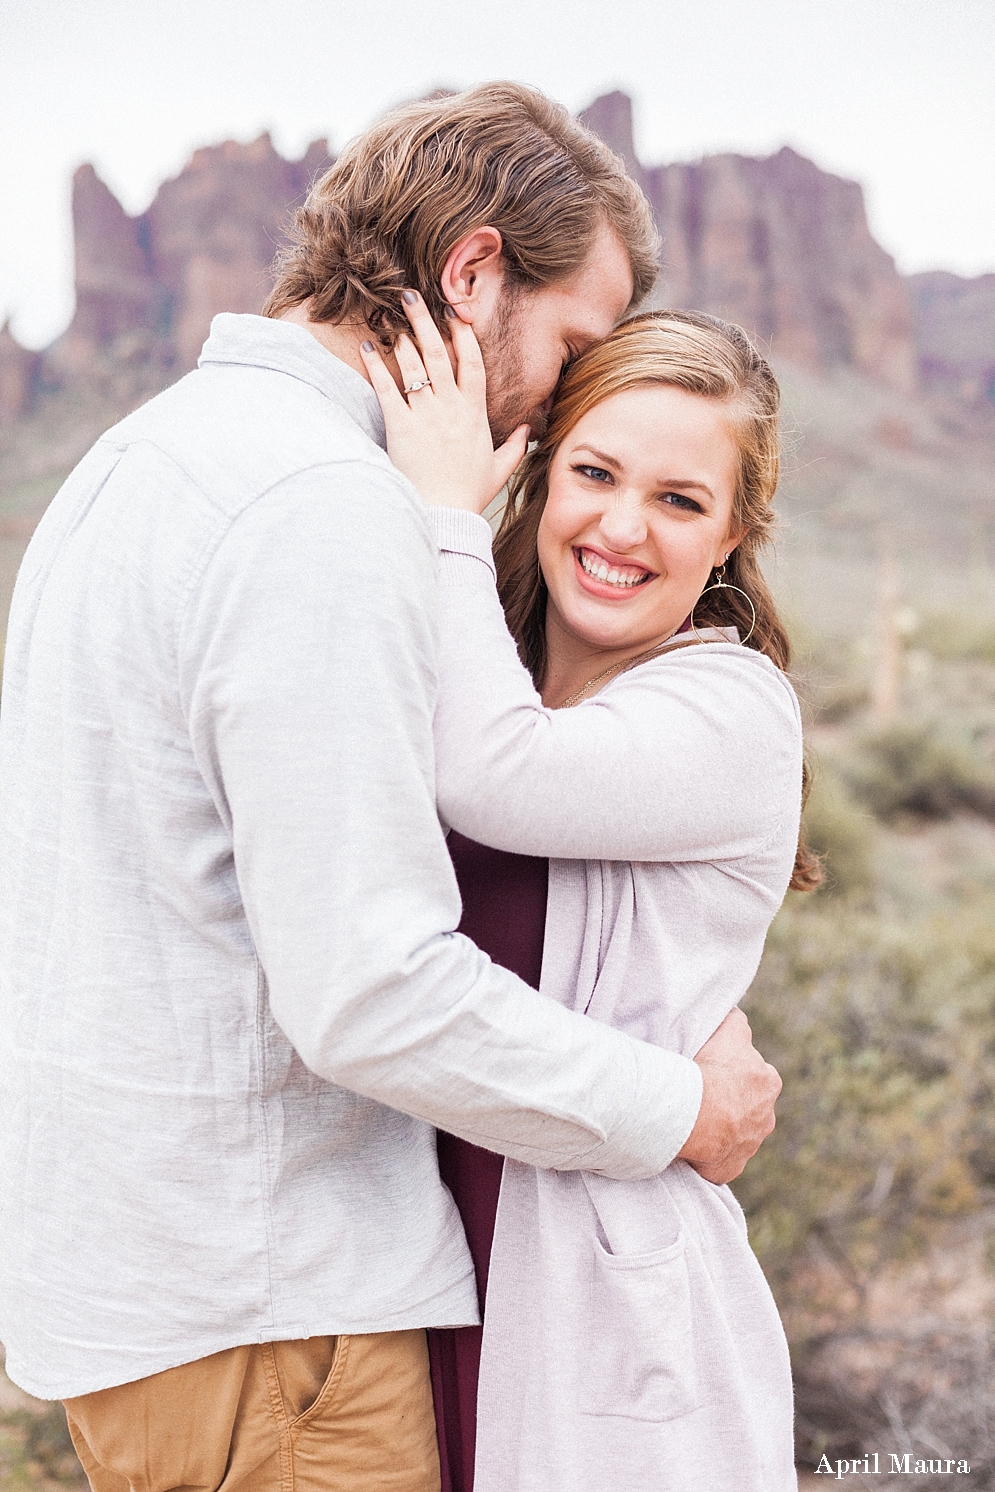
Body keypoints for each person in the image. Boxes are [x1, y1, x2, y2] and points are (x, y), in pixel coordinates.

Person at [0, 84, 781, 1490]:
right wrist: (680, 1106)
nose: (552, 403)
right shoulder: (318, 508)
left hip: (155, 1302)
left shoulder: (140, 460)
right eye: (569, 349)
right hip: (275, 1319)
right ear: (474, 273)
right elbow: (370, 986)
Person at [361, 300, 819, 1491]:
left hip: (602, 1324)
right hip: (417, 1278)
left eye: (678, 500)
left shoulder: (729, 709)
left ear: (730, 537)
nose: (622, 526)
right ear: (544, 474)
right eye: (594, 472)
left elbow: (495, 779)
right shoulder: (482, 677)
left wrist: (445, 510)